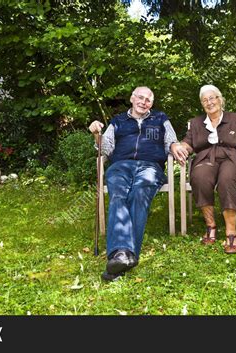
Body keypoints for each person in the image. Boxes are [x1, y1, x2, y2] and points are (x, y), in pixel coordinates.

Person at [88, 86, 183, 281]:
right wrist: (96, 134)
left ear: (152, 104)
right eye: (140, 97)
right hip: (120, 166)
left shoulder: (160, 119)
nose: (143, 102)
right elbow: (105, 148)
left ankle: (120, 256)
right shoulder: (118, 121)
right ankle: (125, 255)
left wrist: (174, 145)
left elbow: (171, 140)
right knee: (118, 195)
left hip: (150, 166)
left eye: (148, 99)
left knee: (139, 193)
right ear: (132, 98)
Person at [172, 85, 236, 254]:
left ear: (220, 99)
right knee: (200, 178)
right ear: (202, 104)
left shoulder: (235, 119)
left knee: (227, 180)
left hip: (231, 158)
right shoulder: (195, 123)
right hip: (205, 158)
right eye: (205, 100)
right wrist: (181, 148)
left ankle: (231, 232)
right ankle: (211, 226)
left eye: (212, 98)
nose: (209, 102)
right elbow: (188, 143)